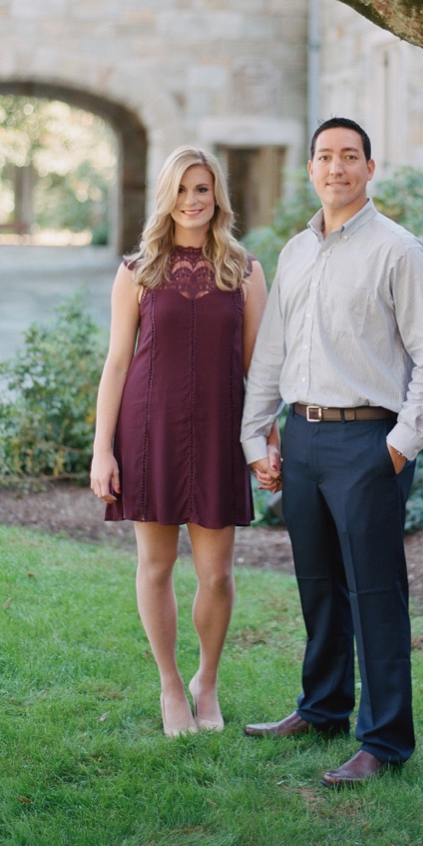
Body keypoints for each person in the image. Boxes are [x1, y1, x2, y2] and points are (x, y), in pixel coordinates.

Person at [240, 118, 423, 785]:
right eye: (325, 156)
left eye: (350, 156)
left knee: (374, 593)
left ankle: (385, 740)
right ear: (310, 169)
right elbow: (272, 349)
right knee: (319, 587)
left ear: (369, 168)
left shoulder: (399, 251)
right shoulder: (296, 251)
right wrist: (257, 434)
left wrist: (397, 447)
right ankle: (325, 706)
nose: (336, 167)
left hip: (368, 441)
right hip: (302, 439)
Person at [90, 146, 280, 738]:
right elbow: (118, 363)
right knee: (155, 564)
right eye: (182, 190)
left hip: (221, 430)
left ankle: (208, 681)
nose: (193, 201)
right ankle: (171, 686)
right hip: (148, 431)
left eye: (202, 189)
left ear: (217, 194)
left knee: (217, 575)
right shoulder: (137, 270)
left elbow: (260, 366)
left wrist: (267, 439)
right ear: (165, 197)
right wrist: (102, 449)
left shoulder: (245, 271)